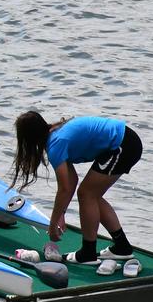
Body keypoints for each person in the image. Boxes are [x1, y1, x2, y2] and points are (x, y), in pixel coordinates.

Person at [11, 111, 143, 265]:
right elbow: (71, 180)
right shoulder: (55, 136)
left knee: (87, 194)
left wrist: (53, 224)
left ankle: (88, 253)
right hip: (124, 142)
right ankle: (122, 247)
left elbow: (65, 188)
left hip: (122, 145)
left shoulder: (56, 144)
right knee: (91, 194)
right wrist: (62, 213)